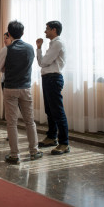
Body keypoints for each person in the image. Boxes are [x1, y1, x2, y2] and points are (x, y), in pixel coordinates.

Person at [0, 20, 42, 164]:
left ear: (9, 33)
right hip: (25, 87)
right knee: (30, 121)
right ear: (23, 33)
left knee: (11, 122)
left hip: (10, 88)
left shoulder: (6, 49)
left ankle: (14, 154)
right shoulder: (30, 48)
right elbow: (29, 64)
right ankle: (34, 151)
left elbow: (0, 67)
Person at [36, 20, 69, 155]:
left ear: (54, 30)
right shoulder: (52, 44)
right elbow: (41, 63)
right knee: (50, 111)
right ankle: (51, 137)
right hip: (48, 78)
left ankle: (64, 143)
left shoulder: (58, 43)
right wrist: (38, 48)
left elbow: (44, 62)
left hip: (53, 79)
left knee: (58, 111)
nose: (45, 31)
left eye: (47, 29)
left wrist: (40, 51)